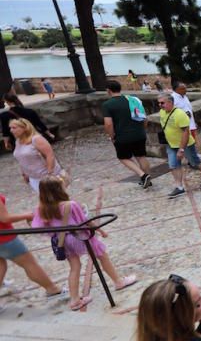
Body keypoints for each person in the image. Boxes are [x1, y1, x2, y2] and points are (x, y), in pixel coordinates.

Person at [33, 176, 137, 310]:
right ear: (59, 189)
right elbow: (85, 221)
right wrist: (100, 231)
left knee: (75, 267)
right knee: (102, 255)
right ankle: (118, 281)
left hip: (63, 240)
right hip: (79, 237)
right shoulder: (70, 205)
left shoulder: (42, 208)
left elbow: (41, 225)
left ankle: (75, 300)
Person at [0, 192, 64, 301]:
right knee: (29, 264)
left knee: (1, 266)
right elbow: (4, 218)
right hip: (5, 238)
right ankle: (52, 289)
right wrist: (28, 215)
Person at [158, 94, 201, 199]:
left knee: (195, 162)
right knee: (174, 165)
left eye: (162, 103)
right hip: (171, 144)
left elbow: (185, 133)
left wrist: (181, 149)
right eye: (159, 103)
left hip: (185, 144)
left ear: (170, 102)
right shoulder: (162, 112)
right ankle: (179, 187)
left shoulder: (180, 114)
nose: (160, 105)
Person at [102, 80, 153, 188]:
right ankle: (148, 179)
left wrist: (112, 137)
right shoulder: (133, 100)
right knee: (141, 156)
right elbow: (144, 118)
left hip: (122, 136)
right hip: (139, 134)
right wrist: (142, 129)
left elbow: (108, 124)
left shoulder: (107, 105)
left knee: (123, 158)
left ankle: (143, 175)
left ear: (108, 90)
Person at [10, 118, 65, 192]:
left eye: (14, 128)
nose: (11, 130)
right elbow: (21, 158)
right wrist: (24, 173)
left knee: (57, 199)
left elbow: (50, 155)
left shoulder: (36, 139)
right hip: (33, 177)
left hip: (46, 176)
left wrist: (50, 174)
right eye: (10, 128)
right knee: (45, 200)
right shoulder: (18, 141)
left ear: (24, 128)